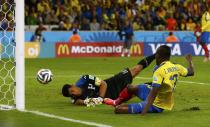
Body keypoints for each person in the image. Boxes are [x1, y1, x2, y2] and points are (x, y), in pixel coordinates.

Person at [104, 45, 194, 115]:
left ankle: (122, 106)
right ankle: (116, 102)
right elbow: (191, 72)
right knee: (130, 87)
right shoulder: (176, 66)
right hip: (155, 94)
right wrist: (190, 61)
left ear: (158, 56)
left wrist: (144, 111)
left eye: (156, 54)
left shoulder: (159, 71)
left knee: (118, 110)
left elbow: (153, 93)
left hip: (157, 104)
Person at [62, 55, 156, 106]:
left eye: (72, 91)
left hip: (113, 83)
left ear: (73, 85)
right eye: (71, 95)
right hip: (114, 97)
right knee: (138, 89)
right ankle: (162, 83)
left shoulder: (85, 79)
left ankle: (156, 55)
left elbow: (103, 84)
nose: (73, 93)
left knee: (136, 69)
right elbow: (88, 102)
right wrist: (87, 102)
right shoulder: (76, 100)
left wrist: (100, 98)